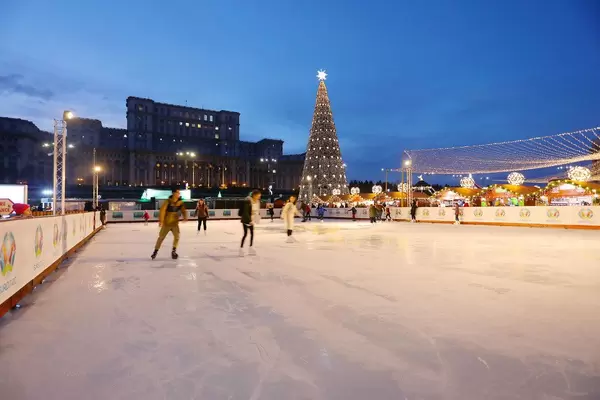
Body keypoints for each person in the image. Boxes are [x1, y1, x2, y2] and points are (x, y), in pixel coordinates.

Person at [151, 188, 187, 260]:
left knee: (177, 237)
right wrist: (161, 221)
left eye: (179, 193)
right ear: (173, 193)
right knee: (161, 237)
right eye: (177, 193)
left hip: (174, 224)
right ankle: (155, 251)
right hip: (167, 223)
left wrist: (185, 217)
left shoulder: (180, 202)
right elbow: (162, 210)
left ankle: (174, 251)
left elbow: (183, 210)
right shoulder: (167, 202)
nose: (179, 194)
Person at [239, 189, 261, 256]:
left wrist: (257, 218)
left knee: (252, 234)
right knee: (245, 234)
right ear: (254, 195)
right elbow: (245, 212)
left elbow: (257, 211)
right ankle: (241, 249)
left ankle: (251, 248)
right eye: (258, 196)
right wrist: (249, 220)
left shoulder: (257, 202)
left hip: (252, 220)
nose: (259, 197)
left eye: (259, 196)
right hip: (246, 219)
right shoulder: (248, 201)